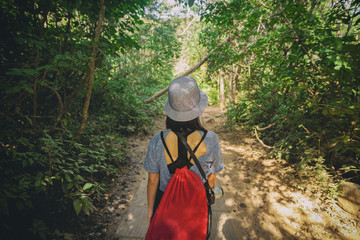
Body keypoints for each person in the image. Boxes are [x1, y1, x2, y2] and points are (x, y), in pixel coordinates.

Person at [143, 75, 224, 227]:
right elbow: (211, 179)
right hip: (196, 204)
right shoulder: (211, 139)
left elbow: (152, 181)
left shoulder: (157, 140)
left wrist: (150, 211)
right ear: (198, 108)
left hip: (164, 203)